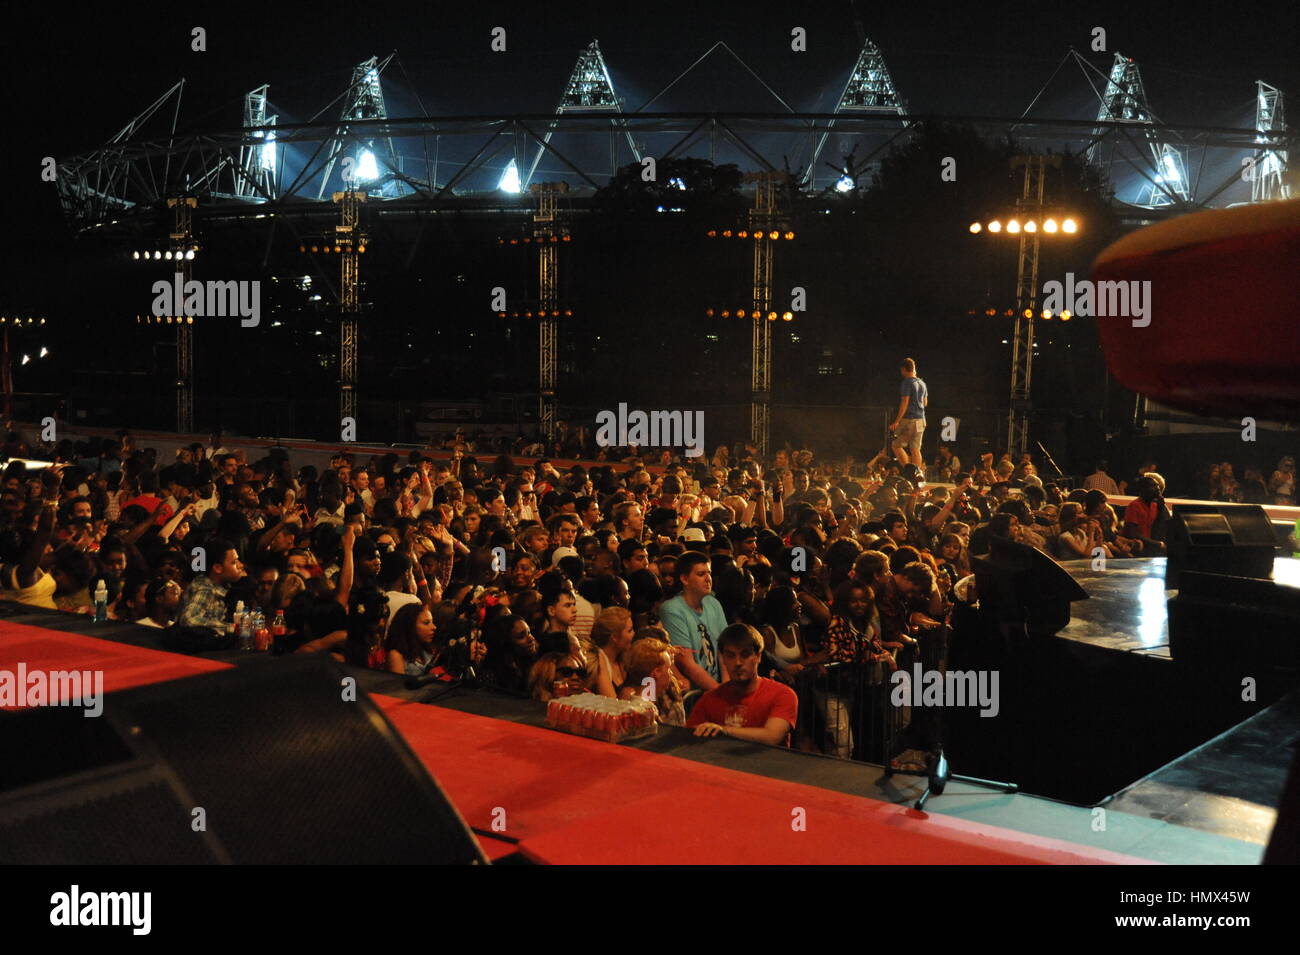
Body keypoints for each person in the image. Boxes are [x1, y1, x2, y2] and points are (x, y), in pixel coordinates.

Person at [687, 623, 798, 747]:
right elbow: (689, 739)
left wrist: (723, 731)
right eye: (730, 656)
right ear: (723, 659)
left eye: (745, 655)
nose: (738, 663)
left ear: (758, 656)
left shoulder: (783, 695)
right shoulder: (709, 699)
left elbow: (772, 736)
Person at [657, 551, 728, 691]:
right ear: (684, 579)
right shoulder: (672, 609)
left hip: (719, 687)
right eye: (701, 574)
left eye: (709, 573)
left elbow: (725, 648)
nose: (708, 579)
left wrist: (727, 686)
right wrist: (719, 693)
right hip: (694, 692)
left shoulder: (713, 603)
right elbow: (686, 663)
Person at [176, 538, 244, 636]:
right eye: (234, 562)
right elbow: (189, 619)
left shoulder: (223, 586)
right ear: (217, 568)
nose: (240, 565)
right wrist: (231, 627)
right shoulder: (205, 588)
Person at [888, 357, 927, 468]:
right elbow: (925, 403)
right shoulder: (922, 383)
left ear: (904, 369)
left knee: (896, 445)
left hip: (909, 419)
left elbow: (905, 402)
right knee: (915, 449)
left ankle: (908, 471)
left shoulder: (907, 382)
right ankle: (917, 474)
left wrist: (897, 421)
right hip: (921, 419)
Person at [385, 603, 437, 676]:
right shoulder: (396, 655)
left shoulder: (426, 649)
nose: (434, 627)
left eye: (432, 622)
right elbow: (398, 686)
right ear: (409, 626)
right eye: (426, 623)